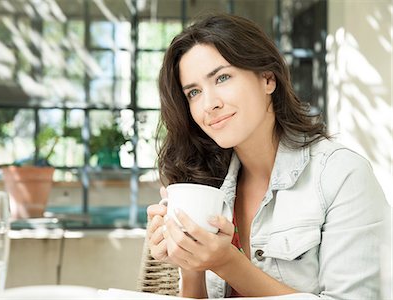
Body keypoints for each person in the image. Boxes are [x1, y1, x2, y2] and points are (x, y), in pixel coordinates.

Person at [146, 13, 387, 299]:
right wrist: (190, 263)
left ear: (267, 79)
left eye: (222, 78)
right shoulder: (207, 183)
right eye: (194, 92)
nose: (209, 104)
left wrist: (227, 263)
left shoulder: (341, 175)